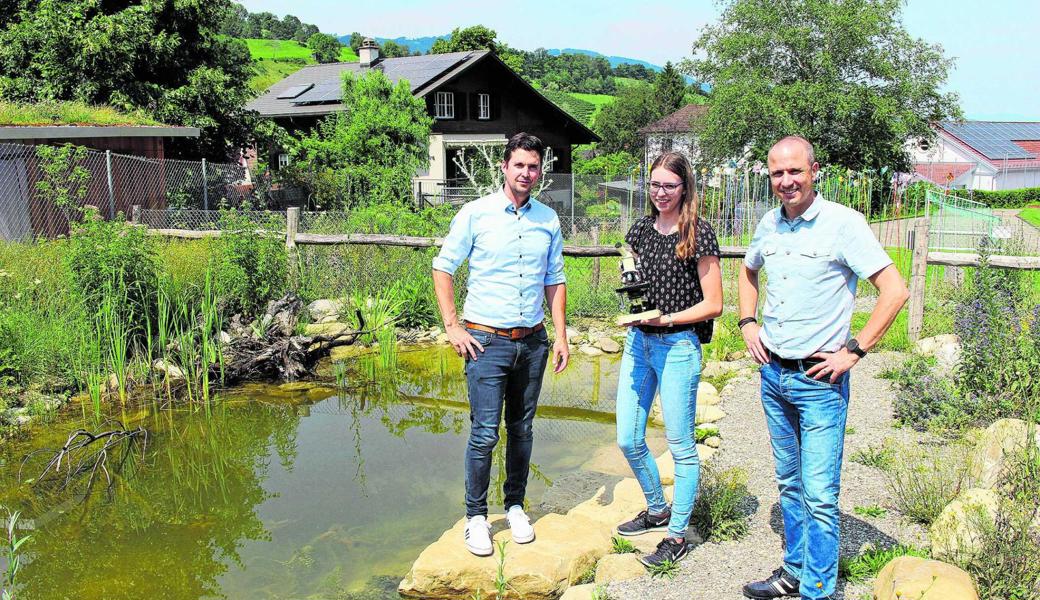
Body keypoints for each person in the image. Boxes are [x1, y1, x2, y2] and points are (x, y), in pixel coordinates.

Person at [738, 136, 909, 600]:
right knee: (789, 482)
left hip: (820, 381)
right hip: (774, 374)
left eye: (795, 171)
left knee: (819, 495)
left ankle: (817, 589)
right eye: (777, 173)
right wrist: (748, 321)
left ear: (814, 171)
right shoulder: (768, 225)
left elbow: (895, 290)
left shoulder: (843, 224)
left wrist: (854, 351)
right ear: (769, 177)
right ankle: (794, 573)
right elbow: (748, 272)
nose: (786, 181)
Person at [432, 132, 570, 557]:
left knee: (522, 429)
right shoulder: (475, 214)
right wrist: (453, 325)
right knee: (484, 432)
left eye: (533, 166)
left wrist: (561, 332)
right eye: (519, 165)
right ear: (504, 167)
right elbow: (443, 266)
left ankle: (514, 506)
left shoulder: (548, 219)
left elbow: (555, 278)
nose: (526, 173)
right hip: (485, 341)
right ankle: (475, 517)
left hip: (532, 342)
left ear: (540, 171)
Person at [613, 152, 723, 568]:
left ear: (685, 188)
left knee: (680, 447)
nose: (660, 193)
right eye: (655, 184)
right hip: (639, 343)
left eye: (669, 186)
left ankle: (676, 536)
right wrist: (635, 306)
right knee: (628, 437)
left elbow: (715, 304)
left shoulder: (698, 233)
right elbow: (637, 283)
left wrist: (667, 317)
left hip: (678, 346)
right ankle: (657, 508)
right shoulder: (639, 229)